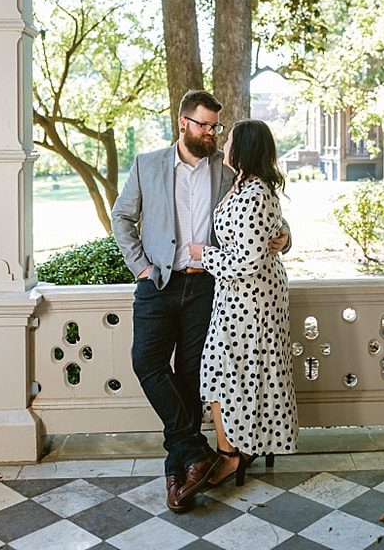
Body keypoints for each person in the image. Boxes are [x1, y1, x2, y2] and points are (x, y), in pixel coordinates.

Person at [111, 90, 289, 513]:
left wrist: (285, 238)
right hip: (158, 285)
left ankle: (182, 468)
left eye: (216, 127)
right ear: (183, 123)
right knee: (147, 364)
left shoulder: (226, 170)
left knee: (192, 374)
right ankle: (193, 449)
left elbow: (268, 214)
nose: (211, 133)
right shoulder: (147, 164)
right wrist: (141, 267)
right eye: (204, 125)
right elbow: (122, 217)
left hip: (208, 286)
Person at [187, 119, 298, 487]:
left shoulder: (253, 193)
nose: (224, 141)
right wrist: (283, 234)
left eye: (230, 138)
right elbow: (272, 229)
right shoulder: (243, 185)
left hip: (252, 301)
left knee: (225, 370)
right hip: (238, 299)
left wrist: (204, 255)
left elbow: (247, 261)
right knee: (236, 372)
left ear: (244, 147)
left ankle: (232, 454)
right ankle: (240, 446)